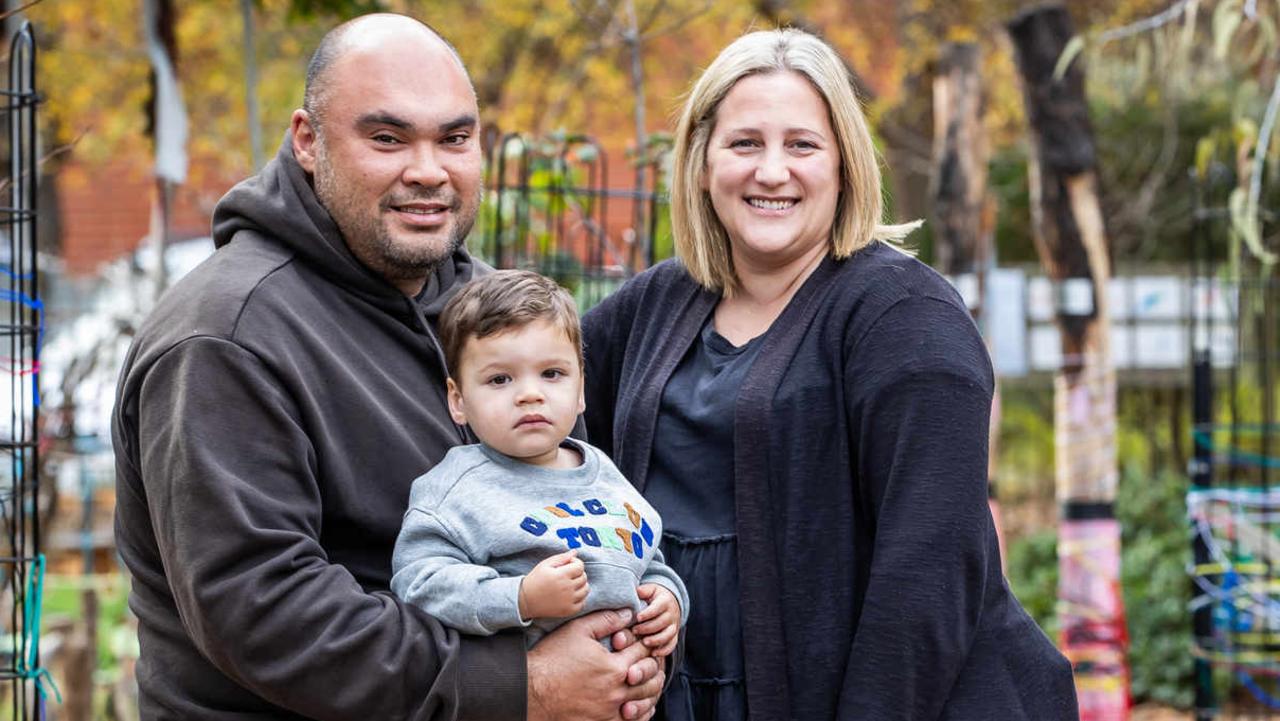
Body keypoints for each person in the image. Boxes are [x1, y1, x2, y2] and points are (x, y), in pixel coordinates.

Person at [113, 13, 663, 721]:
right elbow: (267, 610)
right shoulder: (227, 335)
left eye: (455, 139)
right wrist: (523, 685)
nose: (428, 172)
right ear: (308, 141)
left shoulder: (491, 318)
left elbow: (580, 505)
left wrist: (636, 638)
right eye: (387, 138)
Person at [581, 28, 1080, 721]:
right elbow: (536, 432)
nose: (772, 171)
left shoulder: (905, 318)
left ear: (845, 165)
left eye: (803, 145)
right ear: (701, 163)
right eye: (745, 143)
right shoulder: (655, 305)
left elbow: (930, 570)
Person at [390, 270, 688, 653]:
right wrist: (520, 597)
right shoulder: (456, 492)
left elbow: (645, 559)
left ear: (580, 389)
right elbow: (419, 584)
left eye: (552, 374)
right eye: (500, 380)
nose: (530, 394)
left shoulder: (603, 473)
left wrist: (668, 595)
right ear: (458, 399)